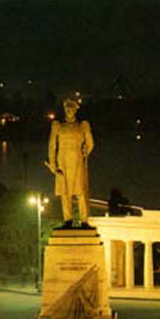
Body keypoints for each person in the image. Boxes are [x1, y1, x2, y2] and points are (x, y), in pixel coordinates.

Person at [47, 97, 94, 228]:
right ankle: (68, 219)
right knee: (65, 192)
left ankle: (84, 220)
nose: (69, 111)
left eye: (71, 108)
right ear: (64, 110)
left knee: (81, 191)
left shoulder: (82, 126)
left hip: (78, 161)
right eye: (67, 108)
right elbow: (52, 145)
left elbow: (90, 143)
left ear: (75, 110)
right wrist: (53, 164)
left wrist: (85, 152)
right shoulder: (58, 126)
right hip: (63, 162)